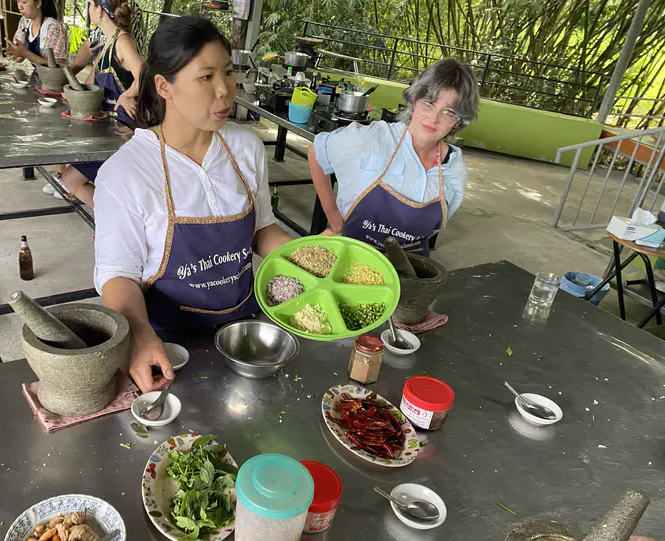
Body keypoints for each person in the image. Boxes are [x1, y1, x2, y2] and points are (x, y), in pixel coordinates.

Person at [93, 16, 292, 393]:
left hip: (244, 325)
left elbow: (262, 230)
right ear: (164, 86)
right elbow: (117, 274)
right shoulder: (126, 171)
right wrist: (140, 337)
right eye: (206, 77)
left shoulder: (246, 147)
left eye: (229, 73)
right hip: (166, 339)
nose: (225, 90)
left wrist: (312, 257)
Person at [308, 58, 479, 255]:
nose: (434, 119)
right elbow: (316, 152)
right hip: (350, 256)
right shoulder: (372, 138)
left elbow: (436, 226)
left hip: (408, 267)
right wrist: (334, 217)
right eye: (429, 103)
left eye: (448, 112)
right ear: (414, 101)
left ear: (458, 122)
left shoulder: (453, 169)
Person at [60, 0, 145, 208]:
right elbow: (90, 84)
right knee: (73, 178)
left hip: (124, 133)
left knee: (72, 179)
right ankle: (113, 222)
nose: (89, 9)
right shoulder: (105, 43)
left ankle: (113, 223)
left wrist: (129, 94)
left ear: (99, 8)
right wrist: (73, 95)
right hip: (108, 130)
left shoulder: (123, 41)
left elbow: (145, 74)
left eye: (90, 4)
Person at [5, 0, 68, 67]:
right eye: (18, 1)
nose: (20, 7)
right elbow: (19, 57)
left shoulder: (54, 27)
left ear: (38, 3)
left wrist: (26, 54)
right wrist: (17, 53)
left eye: (24, 2)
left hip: (53, 76)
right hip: (38, 72)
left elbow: (59, 63)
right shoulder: (24, 22)